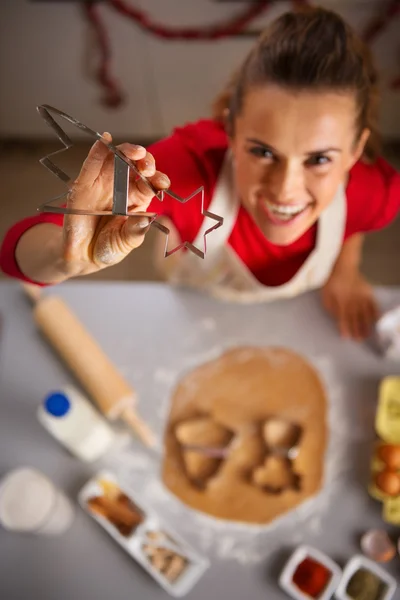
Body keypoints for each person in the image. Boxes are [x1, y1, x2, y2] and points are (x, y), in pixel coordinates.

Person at [1, 6, 399, 340]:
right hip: (193, 308)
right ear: (231, 128)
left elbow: (355, 221)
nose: (285, 190)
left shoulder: (375, 191)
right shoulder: (188, 169)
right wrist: (62, 255)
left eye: (319, 160)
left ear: (355, 151)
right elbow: (13, 253)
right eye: (262, 151)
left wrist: (345, 270)